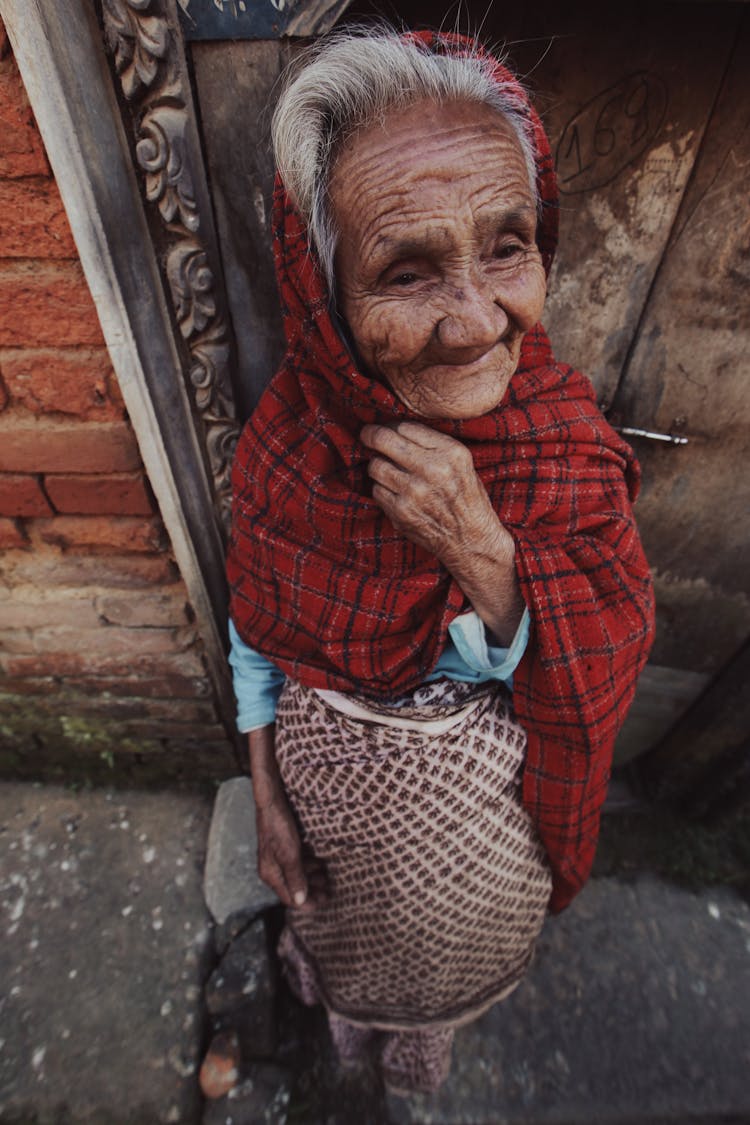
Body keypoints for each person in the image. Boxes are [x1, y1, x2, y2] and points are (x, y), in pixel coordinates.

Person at [226, 26, 655, 1095]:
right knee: (336, 946)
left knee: (445, 982)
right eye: (406, 270)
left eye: (507, 246)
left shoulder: (566, 445)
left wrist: (483, 549)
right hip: (337, 835)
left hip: (490, 849)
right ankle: (345, 1043)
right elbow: (257, 632)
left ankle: (417, 1063)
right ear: (325, 293)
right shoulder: (292, 450)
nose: (475, 320)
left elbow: (605, 654)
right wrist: (269, 801)